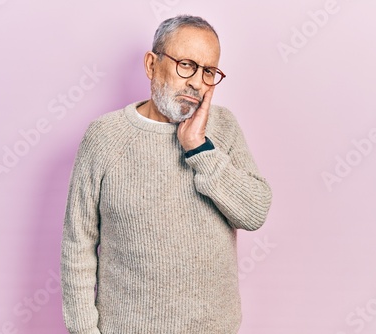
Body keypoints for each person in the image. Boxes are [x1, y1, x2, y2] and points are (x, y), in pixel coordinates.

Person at [60, 14, 272, 334]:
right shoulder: (104, 137)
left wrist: (199, 148)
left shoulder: (223, 127)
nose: (197, 82)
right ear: (151, 65)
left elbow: (254, 211)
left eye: (209, 71)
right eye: (186, 64)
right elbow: (78, 246)